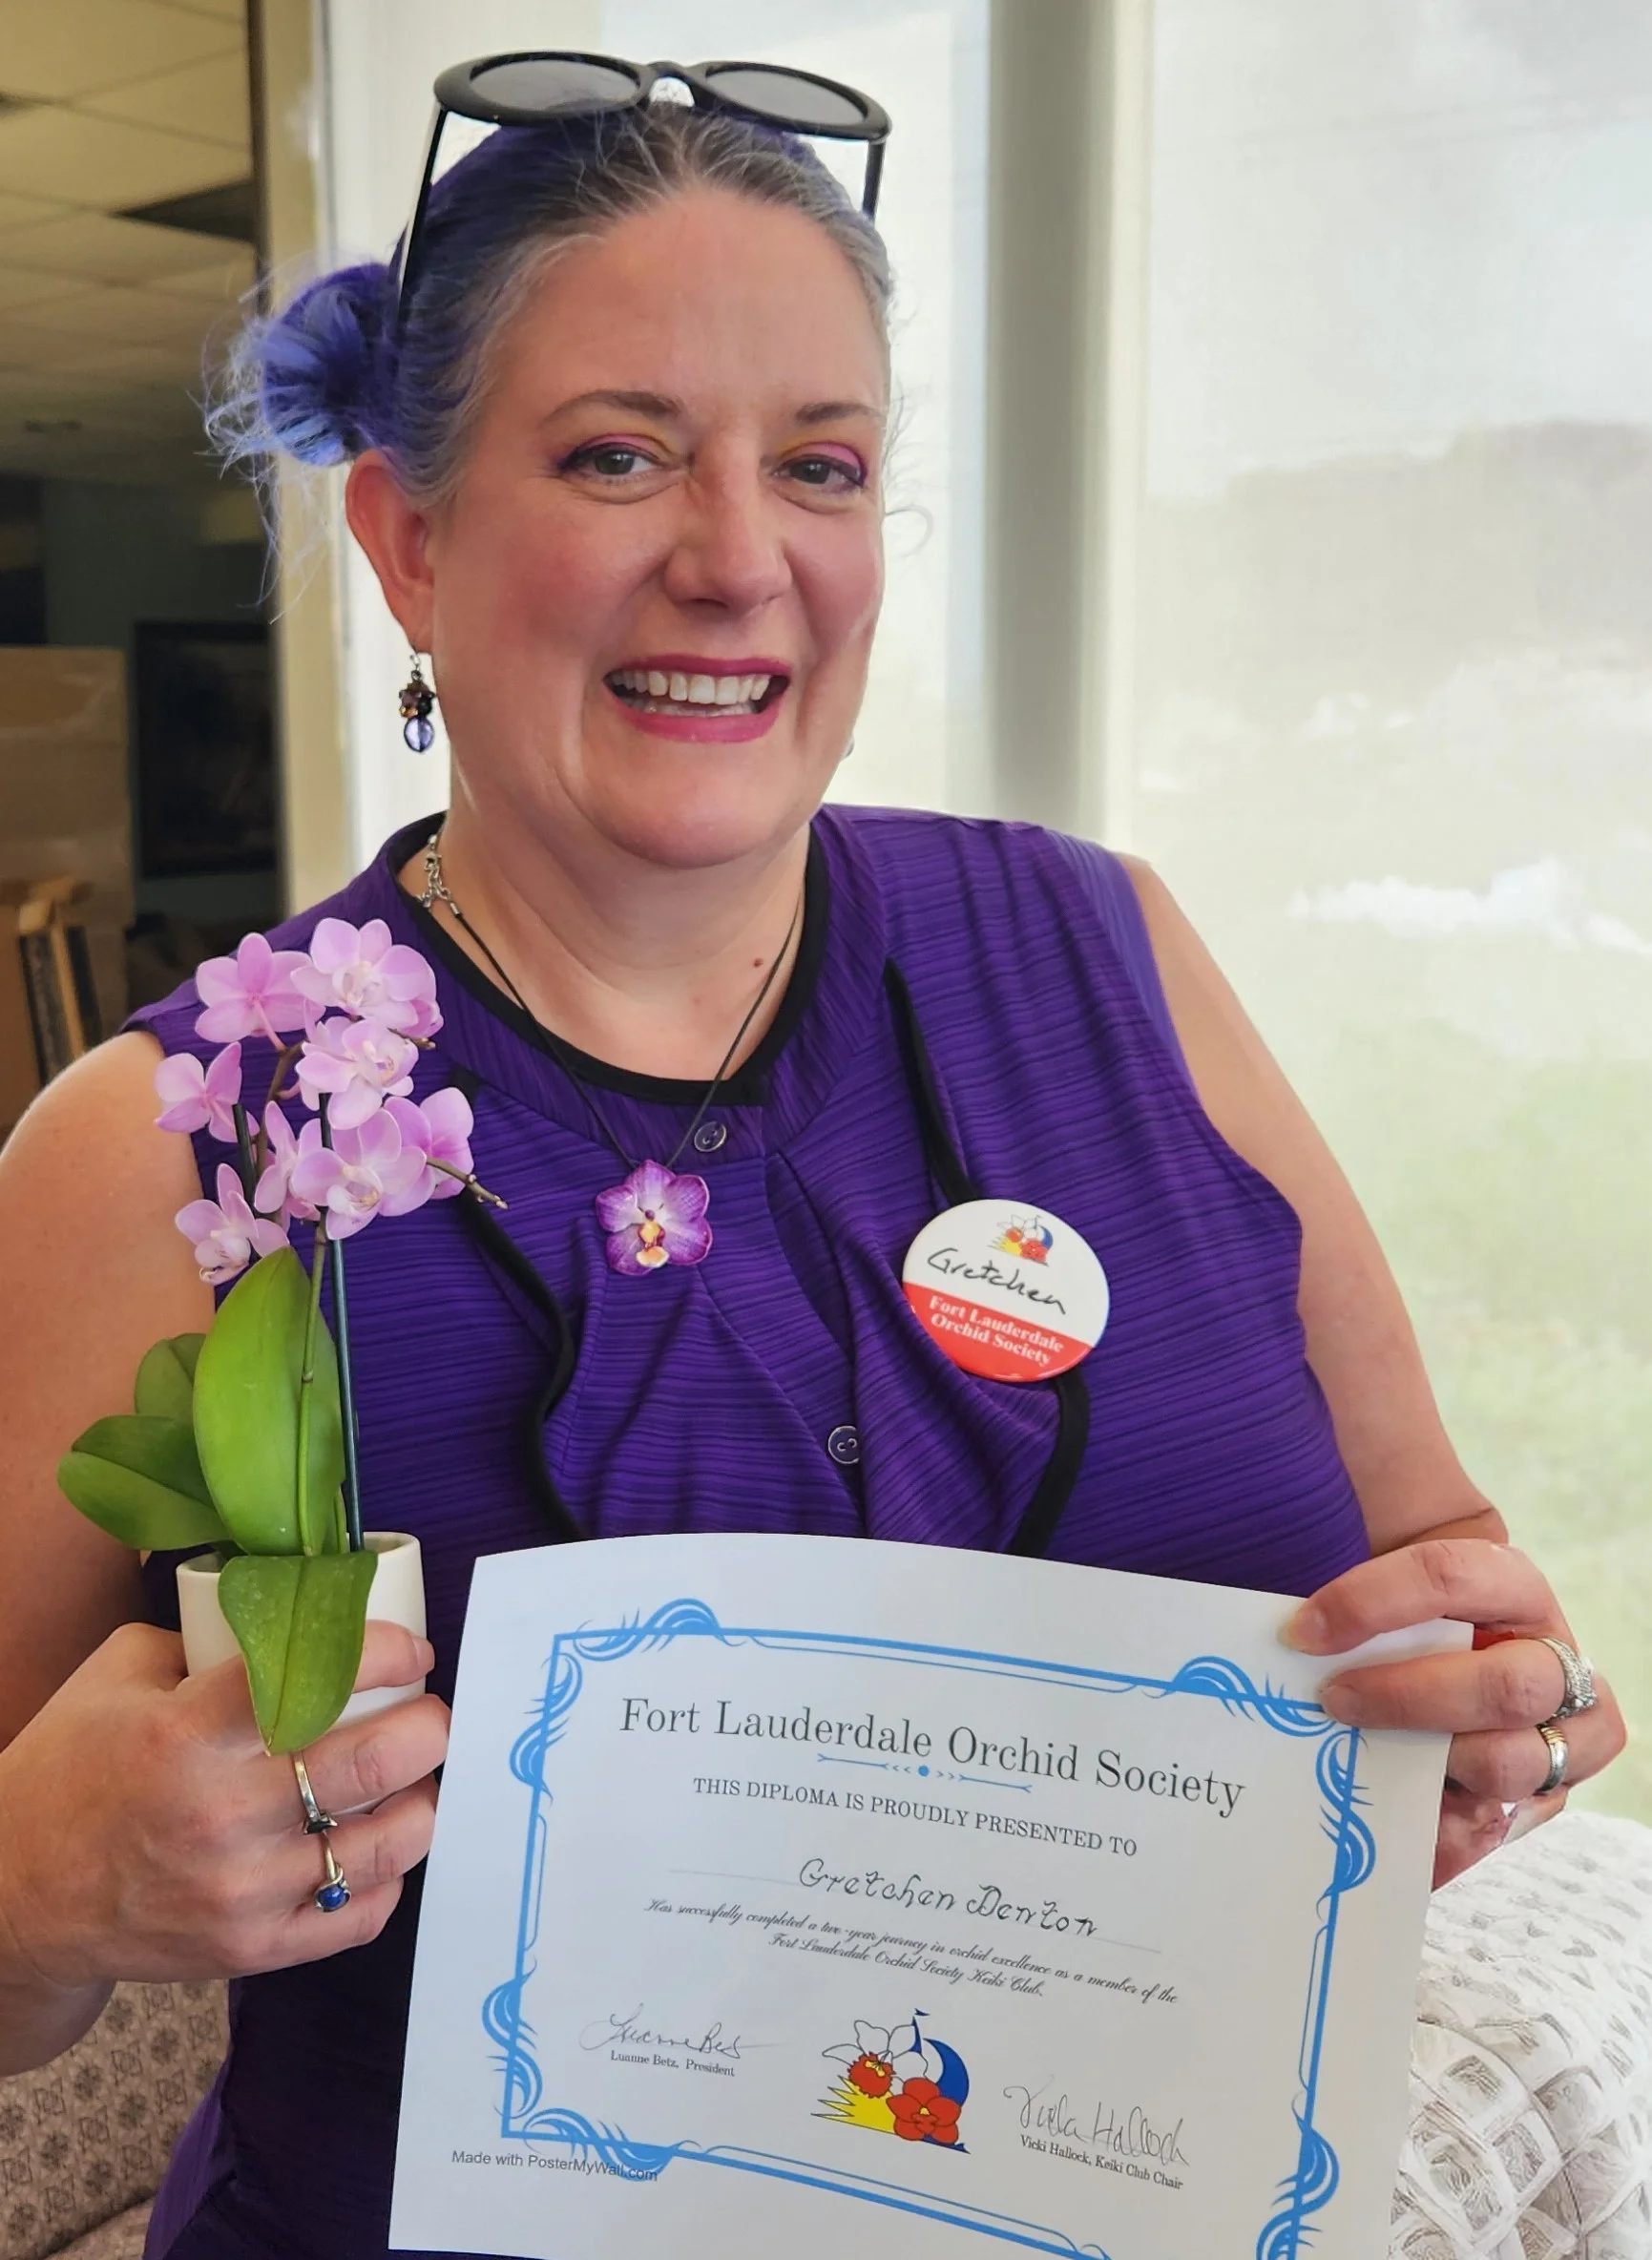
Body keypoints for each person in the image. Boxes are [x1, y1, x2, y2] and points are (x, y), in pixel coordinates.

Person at [0, 64, 1622, 2260]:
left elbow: (1434, 1566)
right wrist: (41, 1878)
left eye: (822, 465)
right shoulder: (189, 1141)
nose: (739, 555)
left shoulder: (1110, 952)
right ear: (408, 533)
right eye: (616, 452)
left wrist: (1482, 1715)